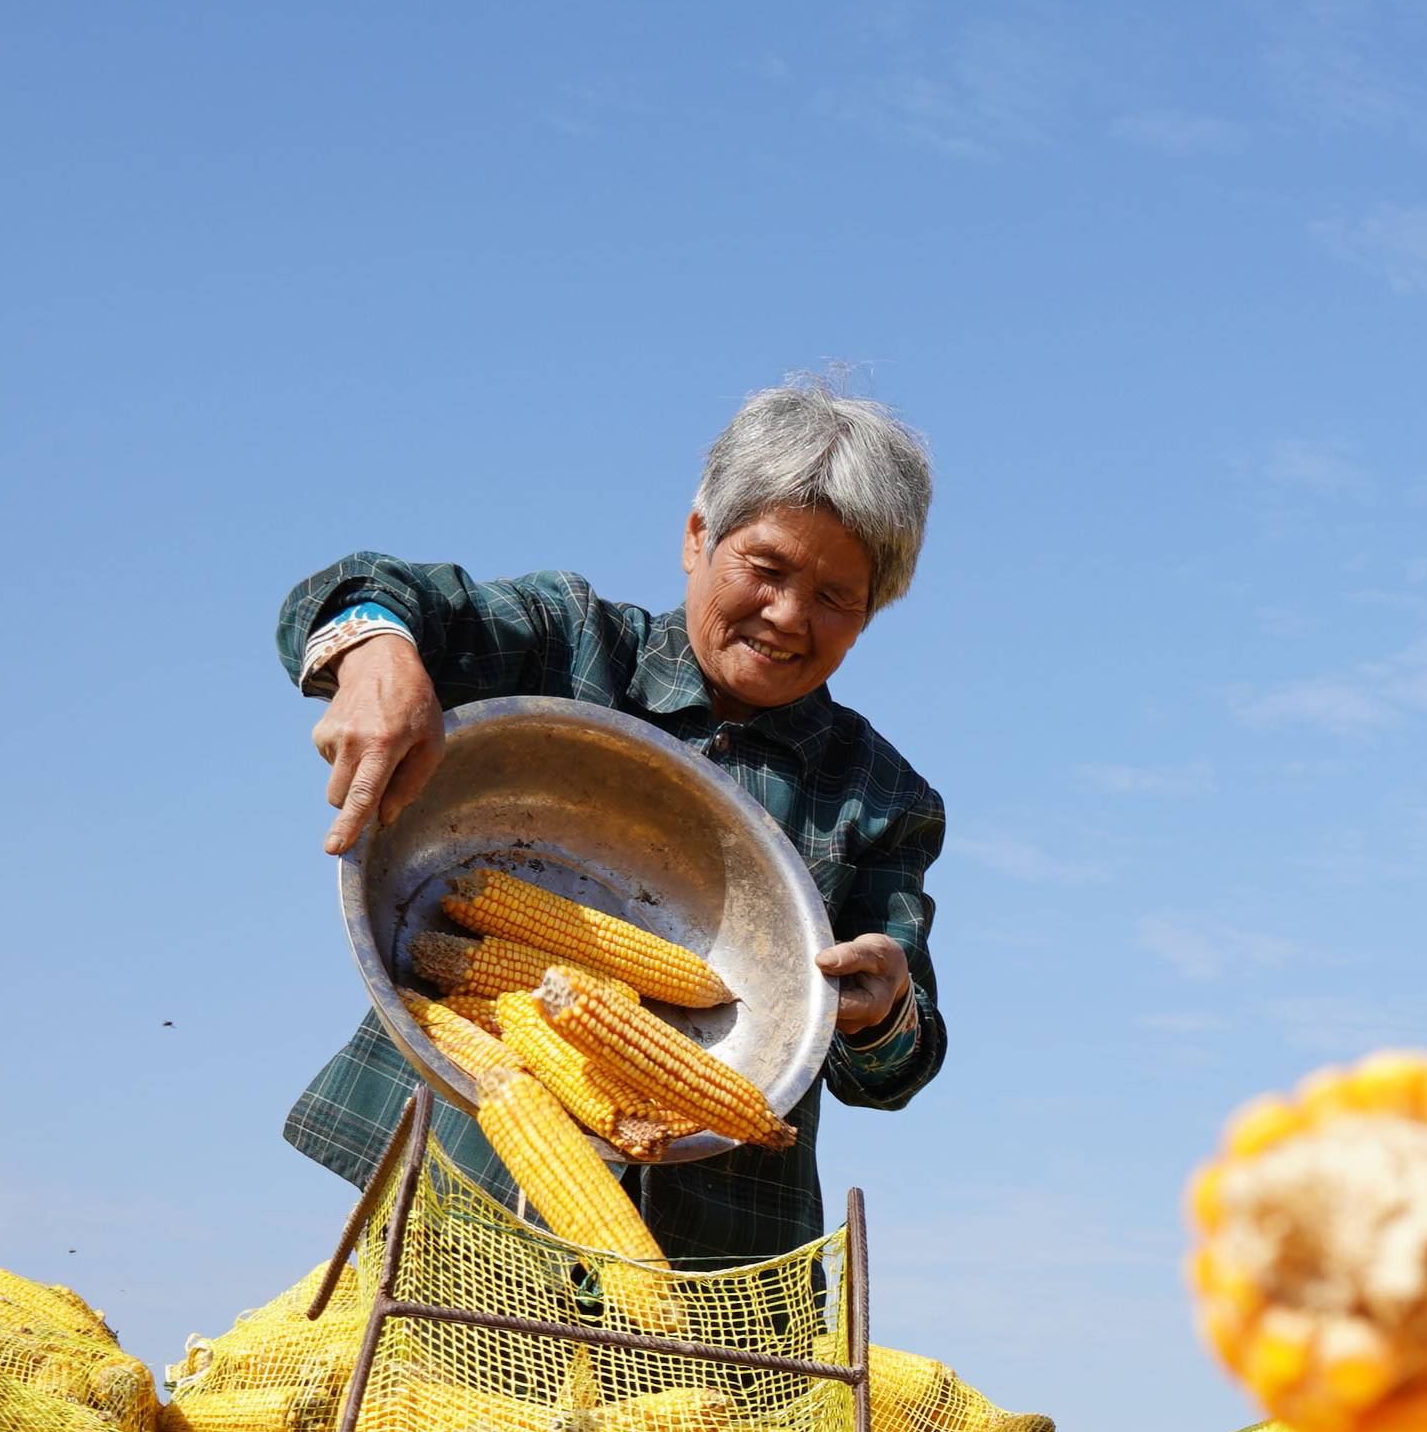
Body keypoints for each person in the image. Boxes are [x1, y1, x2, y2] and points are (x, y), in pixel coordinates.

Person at [273, 379, 950, 1266]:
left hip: (708, 1245)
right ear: (698, 536)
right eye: (768, 568)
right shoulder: (571, 644)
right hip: (460, 1201)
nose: (789, 615)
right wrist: (374, 652)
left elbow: (895, 1067)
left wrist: (884, 1011)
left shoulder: (881, 798)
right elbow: (355, 591)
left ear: (875, 610)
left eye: (837, 596)